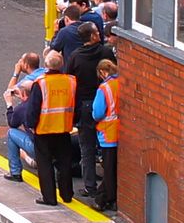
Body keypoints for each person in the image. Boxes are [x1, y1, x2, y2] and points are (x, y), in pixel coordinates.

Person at [68, 23, 113, 198]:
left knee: (86, 148)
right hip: (107, 103)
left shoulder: (75, 57)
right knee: (107, 147)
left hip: (85, 106)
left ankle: (89, 185)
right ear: (93, 36)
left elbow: (70, 81)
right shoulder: (106, 53)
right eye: (96, 31)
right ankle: (109, 185)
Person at [33, 50, 81, 206]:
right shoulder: (71, 82)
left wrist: (31, 125)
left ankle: (49, 197)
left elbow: (34, 108)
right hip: (64, 128)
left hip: (44, 129)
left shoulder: (41, 83)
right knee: (64, 163)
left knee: (45, 164)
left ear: (46, 65)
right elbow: (77, 105)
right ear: (62, 65)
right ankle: (67, 195)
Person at [85, 59, 121, 212]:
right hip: (120, 131)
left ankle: (105, 199)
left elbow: (98, 113)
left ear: (102, 72)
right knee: (114, 169)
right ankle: (107, 198)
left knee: (109, 170)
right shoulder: (120, 83)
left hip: (107, 133)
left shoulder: (104, 88)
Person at [2, 51, 44, 180]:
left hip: (39, 145)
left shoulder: (23, 106)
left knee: (12, 133)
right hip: (55, 141)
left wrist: (16, 72)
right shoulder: (45, 73)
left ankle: (15, 171)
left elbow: (9, 91)